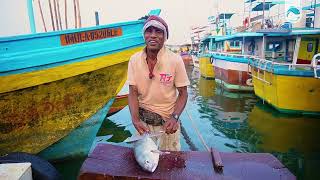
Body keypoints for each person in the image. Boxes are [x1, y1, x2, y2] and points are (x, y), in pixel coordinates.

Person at [127, 15, 190, 151]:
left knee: (169, 166)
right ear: (144, 35)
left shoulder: (175, 60)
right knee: (143, 165)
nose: (153, 35)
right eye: (149, 31)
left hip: (167, 126)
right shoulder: (134, 60)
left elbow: (183, 94)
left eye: (158, 31)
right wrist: (135, 119)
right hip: (143, 125)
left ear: (165, 36)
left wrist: (175, 117)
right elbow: (132, 92)